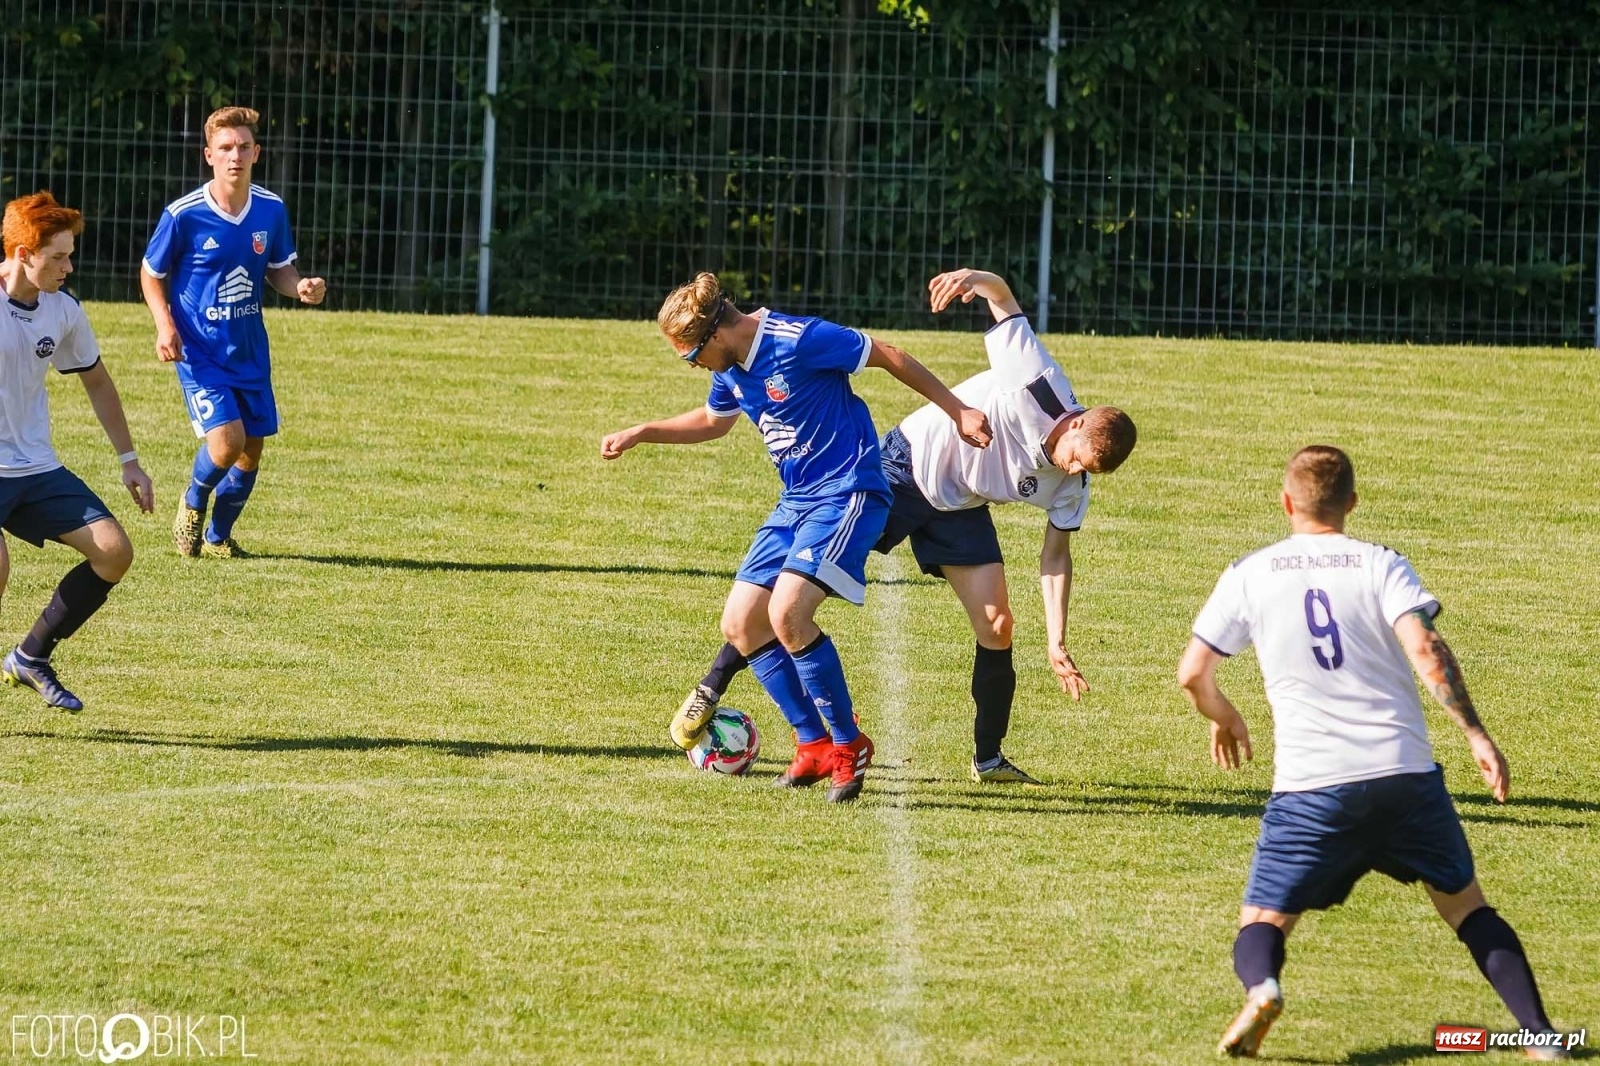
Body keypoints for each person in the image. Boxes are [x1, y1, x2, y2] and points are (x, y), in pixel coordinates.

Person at [670, 269, 1137, 785]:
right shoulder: (1037, 382)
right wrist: (976, 281)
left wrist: (1057, 640)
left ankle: (989, 760)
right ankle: (716, 683)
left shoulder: (1073, 487)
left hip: (960, 504)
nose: (1073, 471)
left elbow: (1055, 559)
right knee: (790, 596)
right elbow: (1003, 299)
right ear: (1075, 421)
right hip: (906, 469)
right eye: (1078, 457)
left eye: (1085, 471)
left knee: (998, 626)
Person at [1177, 445, 1568, 1060]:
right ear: (1351, 504)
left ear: (1285, 502)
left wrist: (1224, 715)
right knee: (1468, 910)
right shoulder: (1380, 564)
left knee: (1263, 919)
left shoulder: (1249, 572)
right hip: (1404, 776)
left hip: (1312, 786)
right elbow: (1427, 651)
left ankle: (1263, 988)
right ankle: (1542, 1037)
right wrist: (1475, 734)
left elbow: (1192, 671)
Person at [602, 273, 992, 802]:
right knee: (740, 623)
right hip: (798, 501)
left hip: (849, 490)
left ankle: (848, 745)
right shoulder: (731, 366)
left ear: (715, 334)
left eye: (690, 355)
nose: (692, 365)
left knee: (787, 613)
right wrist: (642, 432)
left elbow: (889, 354)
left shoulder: (797, 339)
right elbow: (715, 422)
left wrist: (959, 410)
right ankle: (812, 745)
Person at [140, 105, 326, 559]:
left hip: (248, 350)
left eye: (243, 147)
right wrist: (165, 326)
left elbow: (280, 270)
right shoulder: (183, 215)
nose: (234, 156)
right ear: (209, 155)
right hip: (198, 351)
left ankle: (219, 538)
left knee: (251, 450)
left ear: (256, 152)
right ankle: (192, 501)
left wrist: (300, 285)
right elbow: (150, 273)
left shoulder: (270, 209)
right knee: (227, 443)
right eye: (225, 148)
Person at [0, 191, 155, 712]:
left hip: (36, 467)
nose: (69, 266)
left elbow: (97, 382)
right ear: (23, 254)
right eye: (58, 257)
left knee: (114, 552)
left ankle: (30, 656)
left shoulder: (61, 311)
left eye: (69, 254)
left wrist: (128, 460)